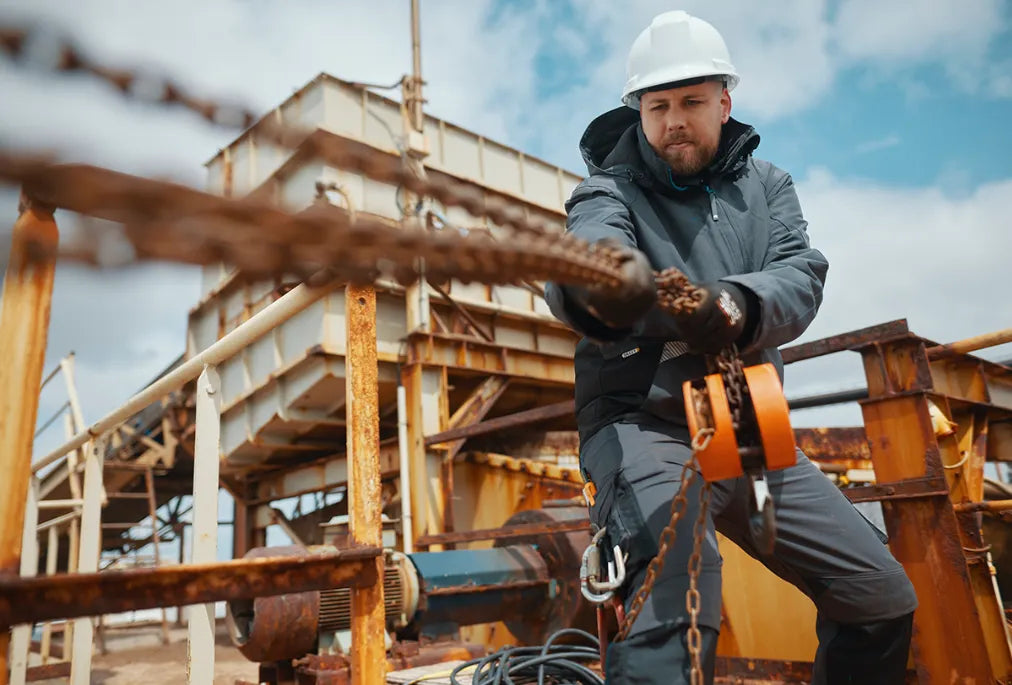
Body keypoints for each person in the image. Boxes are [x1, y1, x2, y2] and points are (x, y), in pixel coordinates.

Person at [544, 10, 917, 685]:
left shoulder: (768, 187)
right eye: (657, 106)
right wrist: (604, 286)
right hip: (644, 421)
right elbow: (586, 254)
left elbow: (800, 276)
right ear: (638, 110)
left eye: (690, 101)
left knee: (880, 594)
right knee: (675, 605)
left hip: (744, 419)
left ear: (725, 101)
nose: (674, 120)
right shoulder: (605, 192)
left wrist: (736, 304)